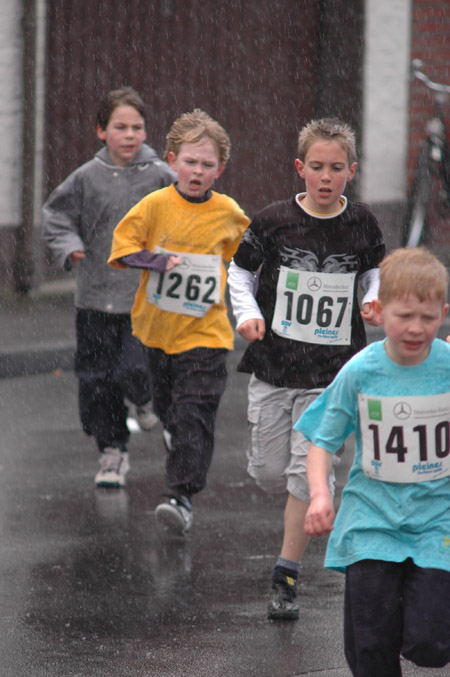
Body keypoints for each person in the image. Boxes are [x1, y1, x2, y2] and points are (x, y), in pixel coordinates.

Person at [227, 117, 385, 620]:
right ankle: (292, 498)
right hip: (274, 367)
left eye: (336, 168)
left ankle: (285, 576)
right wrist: (249, 315)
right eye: (316, 167)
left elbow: (375, 272)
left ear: (351, 172)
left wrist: (374, 300)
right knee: (271, 471)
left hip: (331, 373)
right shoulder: (273, 221)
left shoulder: (362, 222)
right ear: (300, 168)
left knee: (304, 475)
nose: (325, 176)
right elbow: (240, 272)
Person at [296, 247, 450, 676]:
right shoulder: (361, 371)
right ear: (379, 312)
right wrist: (320, 495)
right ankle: (377, 635)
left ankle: (407, 620)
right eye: (405, 316)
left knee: (431, 644)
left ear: (444, 313)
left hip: (438, 521)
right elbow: (323, 441)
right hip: (372, 522)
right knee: (371, 652)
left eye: (428, 317)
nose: (416, 328)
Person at [108, 109, 250, 534]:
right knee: (171, 410)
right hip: (156, 332)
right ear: (172, 160)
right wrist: (154, 260)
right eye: (190, 161)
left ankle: (181, 495)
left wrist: (260, 304)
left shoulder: (228, 213)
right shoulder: (154, 205)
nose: (197, 171)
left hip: (206, 335)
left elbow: (252, 260)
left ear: (219, 170)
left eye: (208, 165)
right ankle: (173, 431)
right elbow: (120, 249)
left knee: (195, 414)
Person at [42, 87, 175, 488]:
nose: (130, 135)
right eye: (120, 127)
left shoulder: (161, 176)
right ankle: (112, 453)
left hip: (144, 296)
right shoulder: (86, 177)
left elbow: (189, 211)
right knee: (96, 379)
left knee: (135, 367)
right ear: (101, 131)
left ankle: (149, 400)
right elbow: (56, 215)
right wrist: (70, 247)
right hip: (95, 297)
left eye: (137, 127)